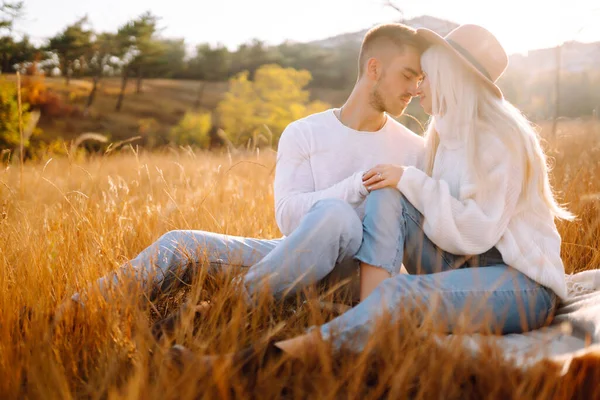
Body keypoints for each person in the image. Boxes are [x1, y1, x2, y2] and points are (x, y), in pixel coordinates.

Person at [194, 23, 574, 368]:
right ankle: (367, 310)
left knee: (400, 291)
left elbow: (476, 232)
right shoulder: (444, 133)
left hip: (521, 285)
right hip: (465, 265)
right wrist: (402, 182)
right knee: (387, 190)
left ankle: (265, 362)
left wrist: (410, 179)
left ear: (450, 76)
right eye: (415, 76)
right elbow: (435, 218)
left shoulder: (500, 136)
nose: (417, 87)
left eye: (426, 76)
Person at [57, 23, 427, 330]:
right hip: (298, 255)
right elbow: (288, 218)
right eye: (407, 76)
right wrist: (356, 185)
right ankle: (72, 315)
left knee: (336, 214)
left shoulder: (414, 149)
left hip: (359, 274)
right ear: (375, 69)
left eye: (419, 79)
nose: (414, 89)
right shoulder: (304, 132)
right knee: (179, 242)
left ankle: (225, 308)